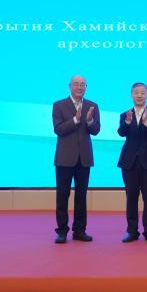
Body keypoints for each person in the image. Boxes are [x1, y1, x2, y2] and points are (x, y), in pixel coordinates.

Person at [52, 75, 100, 244]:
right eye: (76, 84)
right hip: (64, 158)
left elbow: (96, 130)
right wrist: (75, 120)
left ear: (86, 87)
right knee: (62, 195)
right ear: (69, 86)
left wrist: (89, 121)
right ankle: (62, 231)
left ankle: (79, 230)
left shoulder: (92, 106)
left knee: (81, 195)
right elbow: (58, 129)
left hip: (84, 158)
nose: (79, 87)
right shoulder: (58, 105)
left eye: (82, 85)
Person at [117, 83, 147, 243]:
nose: (139, 95)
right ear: (131, 95)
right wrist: (128, 122)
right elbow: (121, 132)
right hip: (129, 161)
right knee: (131, 197)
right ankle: (132, 231)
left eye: (142, 93)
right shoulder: (125, 114)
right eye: (136, 93)